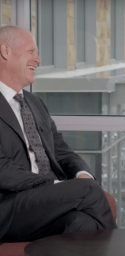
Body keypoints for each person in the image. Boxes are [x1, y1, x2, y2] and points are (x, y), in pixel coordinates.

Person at [0, 26, 116, 243]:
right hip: (8, 207)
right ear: (5, 51)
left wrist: (82, 174)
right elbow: (2, 170)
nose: (38, 59)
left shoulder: (34, 103)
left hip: (43, 203)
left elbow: (62, 152)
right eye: (31, 52)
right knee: (89, 192)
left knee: (82, 224)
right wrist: (55, 186)